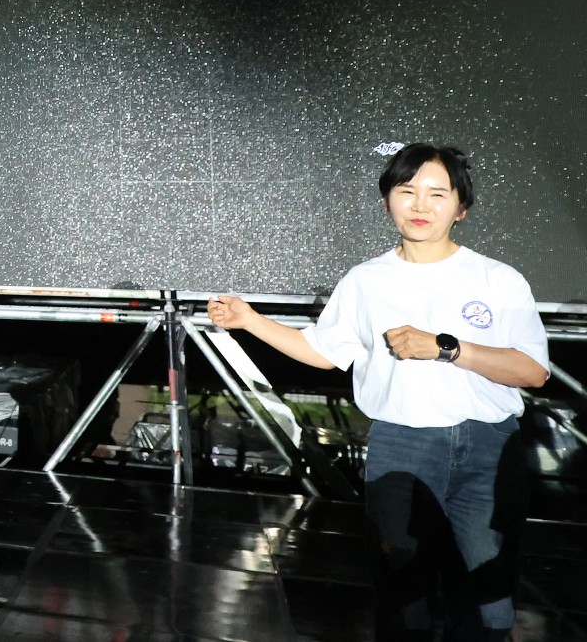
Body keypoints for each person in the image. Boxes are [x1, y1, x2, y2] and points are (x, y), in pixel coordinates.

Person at [208, 143, 549, 642]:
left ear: (461, 208)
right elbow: (323, 351)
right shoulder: (366, 281)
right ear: (388, 201)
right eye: (406, 191)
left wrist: (446, 348)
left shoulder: (498, 279)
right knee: (403, 597)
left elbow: (533, 371)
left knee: (487, 601)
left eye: (437, 194)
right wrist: (250, 320)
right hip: (402, 446)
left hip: (488, 448)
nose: (420, 205)